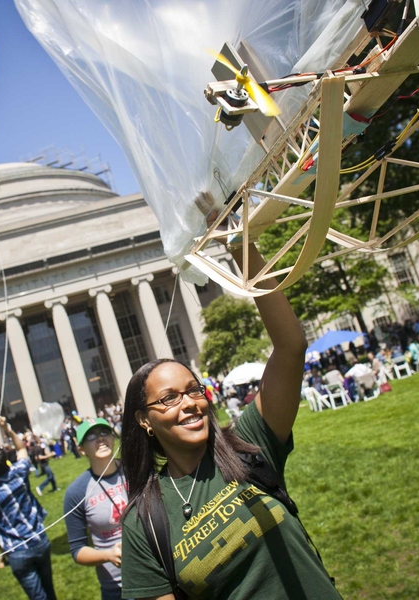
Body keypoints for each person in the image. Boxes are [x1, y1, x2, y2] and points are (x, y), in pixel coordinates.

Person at [119, 243, 339, 599]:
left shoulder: (249, 445)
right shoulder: (144, 522)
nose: (190, 403)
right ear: (144, 420)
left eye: (194, 390)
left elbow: (290, 345)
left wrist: (239, 241)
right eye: (170, 397)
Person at [0, 416, 57, 600]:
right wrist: (7, 429)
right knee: (49, 593)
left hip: (17, 552)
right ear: (5, 459)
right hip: (39, 541)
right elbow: (21, 448)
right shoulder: (19, 472)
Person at [63, 418, 127, 600]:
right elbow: (77, 550)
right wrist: (108, 555)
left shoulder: (135, 468)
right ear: (81, 449)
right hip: (117, 587)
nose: (100, 438)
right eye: (91, 436)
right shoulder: (76, 492)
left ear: (113, 438)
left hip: (156, 571)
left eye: (104, 432)